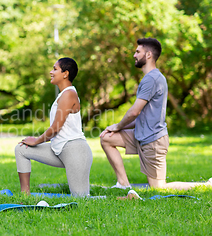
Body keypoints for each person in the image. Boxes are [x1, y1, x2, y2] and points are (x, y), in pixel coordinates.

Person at [100, 38, 211, 190]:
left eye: (138, 52)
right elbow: (141, 116)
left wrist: (118, 125)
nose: (134, 55)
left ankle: (206, 185)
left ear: (149, 55)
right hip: (141, 134)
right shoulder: (150, 78)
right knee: (106, 139)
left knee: (159, 188)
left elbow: (134, 112)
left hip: (153, 140)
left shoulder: (152, 79)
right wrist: (116, 129)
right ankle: (123, 184)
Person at [15, 58, 92, 197]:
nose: (51, 72)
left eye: (55, 69)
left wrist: (37, 140)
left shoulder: (69, 94)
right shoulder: (63, 95)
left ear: (65, 74)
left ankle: (127, 197)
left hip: (75, 150)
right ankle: (25, 196)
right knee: (21, 149)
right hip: (59, 149)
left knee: (82, 200)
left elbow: (56, 128)